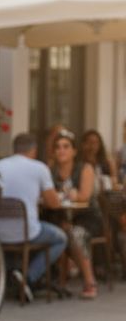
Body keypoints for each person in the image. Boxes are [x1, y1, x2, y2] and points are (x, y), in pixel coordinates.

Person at [0, 132, 67, 299]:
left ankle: (12, 275)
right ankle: (28, 278)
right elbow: (54, 203)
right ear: (34, 150)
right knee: (60, 238)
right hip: (26, 232)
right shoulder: (39, 168)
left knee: (21, 232)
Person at [50, 128, 103, 299]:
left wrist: (73, 195)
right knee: (57, 230)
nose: (61, 150)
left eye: (66, 147)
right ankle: (58, 280)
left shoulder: (84, 168)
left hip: (87, 217)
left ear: (74, 151)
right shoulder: (51, 171)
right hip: (61, 216)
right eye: (58, 147)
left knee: (75, 233)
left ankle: (89, 282)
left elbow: (84, 197)